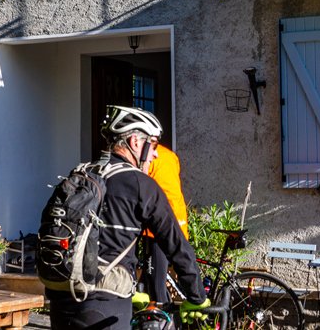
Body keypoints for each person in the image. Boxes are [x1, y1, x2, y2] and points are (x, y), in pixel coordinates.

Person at [47, 105, 208, 329]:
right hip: (105, 305)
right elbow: (175, 243)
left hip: (61, 299)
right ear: (134, 142)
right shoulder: (141, 184)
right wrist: (197, 296)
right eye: (152, 144)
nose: (155, 153)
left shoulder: (81, 174)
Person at [141, 143, 190, 304]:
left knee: (156, 287)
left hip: (158, 227)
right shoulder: (169, 155)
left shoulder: (147, 157)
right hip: (176, 219)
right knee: (150, 279)